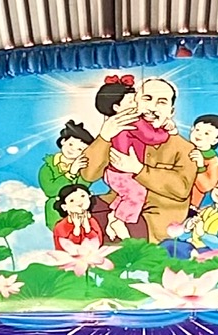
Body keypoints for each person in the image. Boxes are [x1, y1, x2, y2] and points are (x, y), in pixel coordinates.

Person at [76, 73, 199, 242]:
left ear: (171, 111)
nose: (152, 108)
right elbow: (88, 174)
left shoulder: (184, 149)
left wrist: (139, 169)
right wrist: (104, 137)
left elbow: (181, 189)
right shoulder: (118, 132)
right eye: (147, 99)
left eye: (161, 102)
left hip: (153, 219)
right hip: (118, 204)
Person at [40, 121, 97, 225]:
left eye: (79, 149)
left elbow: (83, 187)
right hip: (56, 212)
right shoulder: (49, 166)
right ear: (63, 141)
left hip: (80, 210)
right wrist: (71, 172)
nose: (72, 150)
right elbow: (51, 190)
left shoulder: (83, 168)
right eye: (71, 144)